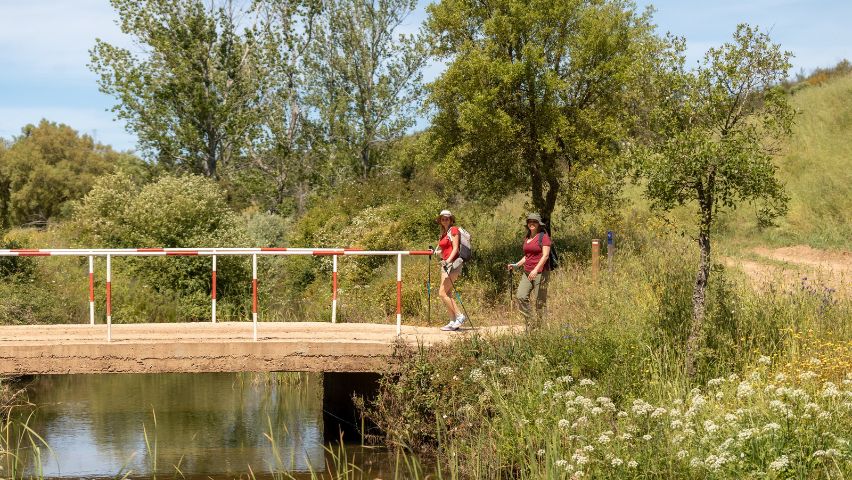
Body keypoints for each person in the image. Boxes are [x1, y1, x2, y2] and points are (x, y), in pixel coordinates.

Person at [507, 213, 551, 327]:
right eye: (529, 221)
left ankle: (542, 328)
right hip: (527, 272)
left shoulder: (544, 237)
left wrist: (536, 270)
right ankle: (531, 323)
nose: (532, 223)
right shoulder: (527, 237)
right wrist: (516, 265)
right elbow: (527, 256)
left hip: (541, 273)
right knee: (521, 296)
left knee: (539, 302)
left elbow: (545, 255)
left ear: (539, 224)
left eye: (534, 221)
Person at [435, 209, 466, 331]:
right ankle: (452, 321)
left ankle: (460, 316)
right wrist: (436, 252)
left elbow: (455, 249)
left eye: (447, 218)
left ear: (451, 220)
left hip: (452, 265)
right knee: (447, 293)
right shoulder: (444, 233)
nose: (444, 220)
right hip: (445, 264)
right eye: (442, 219)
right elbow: (444, 250)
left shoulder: (453, 230)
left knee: (441, 293)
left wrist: (448, 262)